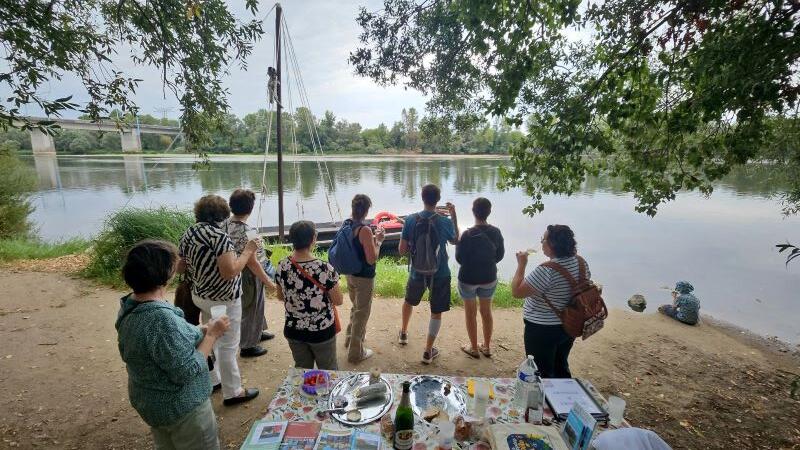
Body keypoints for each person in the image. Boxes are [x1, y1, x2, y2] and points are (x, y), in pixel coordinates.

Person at [116, 240, 229, 450]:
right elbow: (187, 371)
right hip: (181, 409)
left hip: (153, 404)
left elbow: (163, 343)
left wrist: (200, 330)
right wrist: (211, 336)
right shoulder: (161, 319)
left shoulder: (129, 306)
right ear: (164, 274)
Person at [178, 194, 259, 406]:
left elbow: (180, 266)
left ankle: (214, 380)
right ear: (222, 214)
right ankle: (233, 392)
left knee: (212, 336)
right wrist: (247, 252)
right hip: (224, 298)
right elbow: (229, 272)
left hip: (200, 295)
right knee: (228, 345)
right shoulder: (219, 237)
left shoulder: (189, 232)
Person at [510, 225, 589, 378]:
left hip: (542, 329)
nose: (541, 243)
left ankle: (543, 399)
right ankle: (564, 397)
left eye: (543, 240)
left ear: (552, 244)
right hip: (569, 324)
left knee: (541, 372)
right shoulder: (580, 263)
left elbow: (517, 292)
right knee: (561, 364)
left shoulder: (547, 270)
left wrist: (521, 265)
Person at [398, 183, 460, 364]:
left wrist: (412, 246)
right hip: (440, 273)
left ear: (422, 197)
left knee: (409, 301)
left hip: (417, 272)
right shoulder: (444, 221)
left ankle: (403, 333)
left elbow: (401, 250)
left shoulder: (410, 220)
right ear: (438, 200)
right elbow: (456, 240)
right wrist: (454, 215)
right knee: (436, 311)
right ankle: (427, 351)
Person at [276, 220, 344, 369]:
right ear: (313, 239)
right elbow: (338, 300)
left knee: (302, 371)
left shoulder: (282, 265)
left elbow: (280, 296)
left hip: (294, 329)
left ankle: (303, 392)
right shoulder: (324, 268)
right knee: (328, 371)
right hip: (321, 331)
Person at [223, 189, 277, 358]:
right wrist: (268, 281)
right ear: (251, 208)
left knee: (255, 304)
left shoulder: (224, 224)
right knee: (252, 306)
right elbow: (253, 262)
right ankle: (248, 345)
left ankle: (258, 331)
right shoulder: (249, 230)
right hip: (248, 274)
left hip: (235, 269)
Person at [455, 197, 504, 358]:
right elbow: (500, 255)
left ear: (473, 211)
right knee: (486, 311)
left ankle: (474, 348)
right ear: (489, 212)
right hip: (488, 277)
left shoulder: (467, 234)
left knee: (470, 313)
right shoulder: (496, 232)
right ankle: (487, 347)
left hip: (468, 278)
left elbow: (459, 259)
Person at [344, 194, 385, 363]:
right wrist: (379, 241)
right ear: (367, 210)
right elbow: (371, 259)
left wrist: (372, 240)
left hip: (350, 273)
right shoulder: (365, 230)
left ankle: (349, 338)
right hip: (364, 278)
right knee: (362, 312)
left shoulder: (347, 224)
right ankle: (355, 353)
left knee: (356, 307)